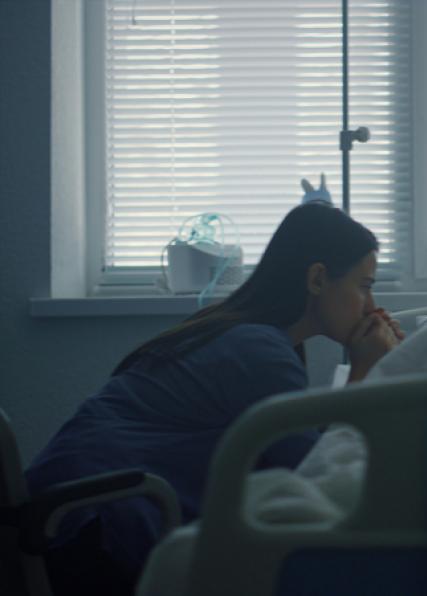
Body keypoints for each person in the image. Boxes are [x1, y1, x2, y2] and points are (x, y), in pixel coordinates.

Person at [25, 202, 402, 595]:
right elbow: (315, 475)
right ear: (319, 279)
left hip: (66, 510)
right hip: (92, 527)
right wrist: (364, 374)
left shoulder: (248, 335)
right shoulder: (259, 351)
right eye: (365, 285)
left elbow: (295, 449)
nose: (371, 307)